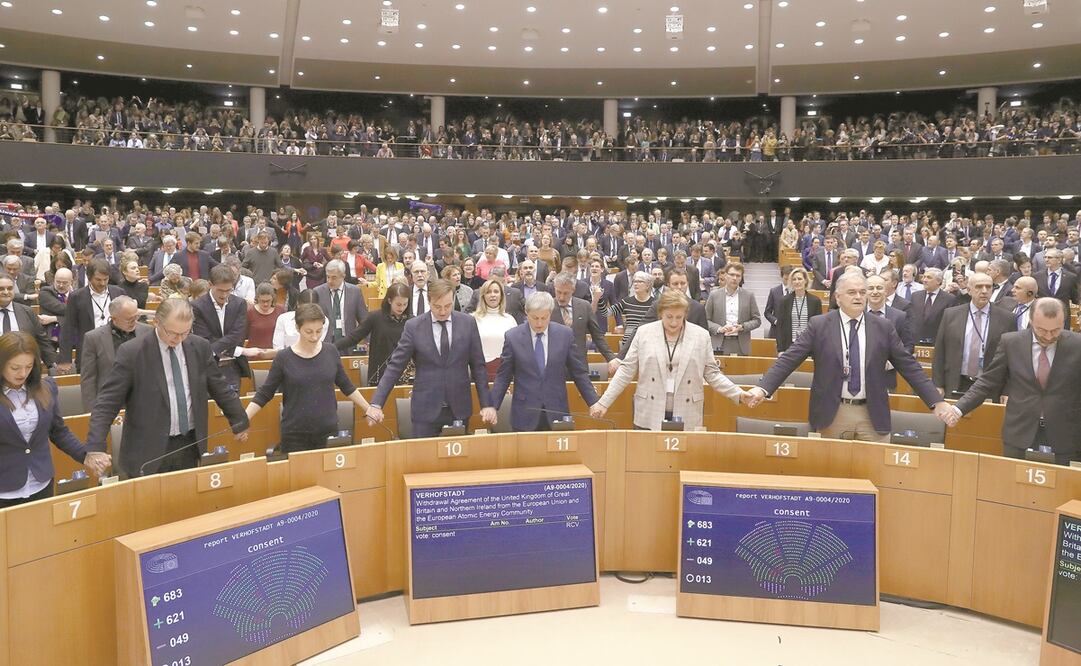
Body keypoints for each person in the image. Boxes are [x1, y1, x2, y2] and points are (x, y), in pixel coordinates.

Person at [746, 272, 953, 442]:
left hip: (872, 414)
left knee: (875, 473)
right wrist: (763, 388)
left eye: (862, 292)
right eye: (852, 292)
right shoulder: (820, 325)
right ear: (838, 297)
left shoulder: (883, 327)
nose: (859, 297)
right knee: (832, 476)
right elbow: (789, 359)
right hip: (832, 413)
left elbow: (909, 366)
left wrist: (936, 401)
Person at [85, 298, 249, 478]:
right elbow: (107, 402)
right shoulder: (132, 351)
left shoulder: (199, 347)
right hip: (146, 449)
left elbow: (219, 387)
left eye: (184, 333)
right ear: (156, 322)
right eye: (172, 333)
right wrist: (95, 446)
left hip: (189, 443)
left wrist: (239, 421)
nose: (178, 339)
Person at [943, 299, 1081, 465]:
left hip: (1066, 434)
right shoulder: (1011, 342)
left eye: (1056, 330)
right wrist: (958, 409)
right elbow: (988, 381)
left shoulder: (1077, 344)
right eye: (1042, 330)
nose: (1049, 336)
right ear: (1031, 321)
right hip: (1019, 433)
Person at [591, 290, 751, 429]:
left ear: (685, 315)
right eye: (669, 317)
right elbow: (626, 371)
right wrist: (603, 402)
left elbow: (712, 374)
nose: (674, 322)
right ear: (660, 313)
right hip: (649, 410)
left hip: (687, 411)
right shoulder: (643, 333)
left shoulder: (701, 336)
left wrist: (738, 393)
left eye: (679, 317)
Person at [367, 278, 497, 437]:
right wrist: (376, 403)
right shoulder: (414, 326)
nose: (443, 312)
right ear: (429, 301)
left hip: (459, 407)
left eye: (448, 306)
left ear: (453, 300)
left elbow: (478, 366)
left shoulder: (467, 323)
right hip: (425, 409)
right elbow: (395, 366)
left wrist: (487, 404)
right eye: (437, 307)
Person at [246, 303, 373, 453]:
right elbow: (265, 393)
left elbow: (346, 386)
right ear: (297, 328)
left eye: (319, 331)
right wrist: (244, 418)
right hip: (295, 435)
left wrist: (368, 408)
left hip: (328, 430)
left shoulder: (330, 351)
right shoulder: (284, 357)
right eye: (309, 332)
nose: (314, 337)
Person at [0, 332, 107, 507]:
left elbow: (58, 431)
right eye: (15, 368)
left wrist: (85, 455)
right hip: (4, 490)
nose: (23, 373)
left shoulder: (46, 387)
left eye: (28, 366)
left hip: (41, 484)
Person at [490, 291, 599, 431]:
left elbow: (579, 372)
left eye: (544, 318)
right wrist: (492, 406)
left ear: (550, 313)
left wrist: (593, 401)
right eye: (535, 318)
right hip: (524, 413)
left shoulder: (565, 335)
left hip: (557, 410)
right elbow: (503, 376)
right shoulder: (513, 337)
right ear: (526, 312)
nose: (539, 323)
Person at [932, 272, 1016, 400]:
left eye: (988, 287)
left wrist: (1007, 390)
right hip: (957, 382)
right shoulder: (951, 315)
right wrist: (938, 384)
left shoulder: (1007, 318)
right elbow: (939, 352)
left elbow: (1012, 358)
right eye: (979, 287)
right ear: (969, 290)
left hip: (989, 386)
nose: (984, 291)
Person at [78, 296, 152, 412]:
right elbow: (88, 378)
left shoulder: (148, 332)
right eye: (129, 319)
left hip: (143, 402)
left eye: (136, 317)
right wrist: (91, 412)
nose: (134, 322)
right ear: (114, 319)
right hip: (110, 403)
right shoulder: (93, 338)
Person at [193, 265, 259, 392]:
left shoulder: (239, 303)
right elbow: (203, 338)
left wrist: (214, 348)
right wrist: (235, 349)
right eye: (220, 290)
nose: (224, 295)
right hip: (208, 366)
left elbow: (238, 336)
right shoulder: (197, 306)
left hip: (233, 367)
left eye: (228, 290)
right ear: (210, 284)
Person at [335, 282, 410, 385]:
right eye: (398, 304)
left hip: (405, 374)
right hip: (379, 374)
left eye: (405, 304)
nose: (401, 308)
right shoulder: (375, 317)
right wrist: (332, 347)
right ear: (389, 300)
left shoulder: (411, 321)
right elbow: (354, 337)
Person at [57, 258, 125, 372]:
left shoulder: (119, 293)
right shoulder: (76, 297)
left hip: (116, 350)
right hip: (88, 352)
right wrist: (65, 359)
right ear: (89, 278)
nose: (102, 283)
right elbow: (68, 328)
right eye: (98, 279)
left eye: (106, 279)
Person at [551, 272, 618, 373]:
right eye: (558, 292)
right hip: (553, 367)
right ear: (554, 288)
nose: (561, 297)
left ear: (573, 290)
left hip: (579, 366)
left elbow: (597, 335)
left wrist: (611, 358)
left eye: (566, 293)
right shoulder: (547, 307)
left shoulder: (584, 306)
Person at [705, 263, 761, 355]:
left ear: (741, 278)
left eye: (738, 275)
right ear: (726, 275)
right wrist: (719, 328)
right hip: (719, 343)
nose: (734, 278)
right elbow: (706, 320)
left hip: (741, 343)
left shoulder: (749, 296)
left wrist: (742, 327)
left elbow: (757, 320)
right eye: (732, 274)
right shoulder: (714, 295)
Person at [0, 276, 57, 367]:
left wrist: (53, 364)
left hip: (24, 369)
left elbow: (42, 341)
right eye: (1, 289)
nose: (6, 292)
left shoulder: (27, 312)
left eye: (10, 288)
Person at [472, 279, 519, 381]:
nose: (492, 295)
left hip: (505, 374)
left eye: (496, 292)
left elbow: (517, 349)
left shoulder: (510, 320)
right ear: (483, 296)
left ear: (501, 295)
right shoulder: (473, 319)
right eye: (488, 292)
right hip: (481, 374)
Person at [313, 259, 367, 344]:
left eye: (334, 277)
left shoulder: (355, 291)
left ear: (343, 276)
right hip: (325, 343)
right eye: (328, 277)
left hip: (349, 342)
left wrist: (368, 342)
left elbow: (364, 320)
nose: (330, 281)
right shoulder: (318, 292)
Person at [775, 267, 823, 353]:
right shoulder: (784, 301)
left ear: (805, 281)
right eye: (794, 279)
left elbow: (818, 328)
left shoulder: (815, 301)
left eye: (800, 279)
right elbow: (780, 327)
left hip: (808, 346)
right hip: (789, 346)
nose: (797, 282)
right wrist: (780, 350)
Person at [908, 268, 956, 344]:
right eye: (924, 277)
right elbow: (911, 318)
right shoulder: (915, 296)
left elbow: (949, 324)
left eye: (929, 277)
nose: (924, 280)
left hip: (937, 343)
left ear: (939, 281)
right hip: (915, 342)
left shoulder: (949, 299)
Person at [613, 271, 655, 352]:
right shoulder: (626, 301)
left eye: (639, 281)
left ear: (647, 285)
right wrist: (597, 299)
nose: (636, 284)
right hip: (628, 345)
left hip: (647, 345)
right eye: (635, 281)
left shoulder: (655, 304)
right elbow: (606, 313)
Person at [246, 283, 284, 353]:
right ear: (257, 298)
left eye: (268, 301)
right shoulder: (249, 312)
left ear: (273, 298)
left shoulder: (280, 310)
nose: (265, 304)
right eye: (262, 301)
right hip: (254, 355)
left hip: (275, 354)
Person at [762, 265, 793, 339]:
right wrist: (775, 321)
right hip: (776, 331)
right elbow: (767, 312)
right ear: (781, 277)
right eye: (786, 279)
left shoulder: (797, 291)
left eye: (790, 279)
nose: (788, 282)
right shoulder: (774, 291)